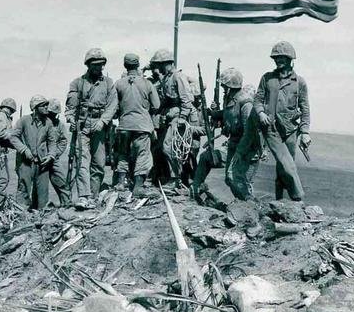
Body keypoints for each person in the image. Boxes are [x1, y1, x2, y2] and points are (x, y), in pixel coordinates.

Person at [253, 41, 311, 201]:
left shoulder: (300, 82)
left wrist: (305, 132)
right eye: (276, 58)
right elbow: (257, 99)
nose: (279, 61)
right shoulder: (267, 78)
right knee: (288, 165)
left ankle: (279, 202)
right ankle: (298, 199)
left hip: (291, 131)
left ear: (290, 59)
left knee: (283, 167)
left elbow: (305, 108)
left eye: (282, 58)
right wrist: (261, 113)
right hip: (271, 129)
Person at [191, 68, 258, 201]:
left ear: (230, 86)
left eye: (224, 85)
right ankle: (195, 189)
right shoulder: (230, 98)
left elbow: (249, 133)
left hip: (247, 149)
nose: (222, 87)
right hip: (233, 144)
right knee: (206, 158)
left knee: (234, 178)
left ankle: (250, 206)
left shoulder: (246, 103)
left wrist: (240, 152)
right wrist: (213, 113)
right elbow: (227, 114)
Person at [65, 48, 118, 209]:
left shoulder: (108, 83)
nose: (99, 68)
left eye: (101, 65)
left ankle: (94, 195)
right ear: (88, 65)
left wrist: (102, 121)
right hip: (82, 125)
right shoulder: (77, 83)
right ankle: (84, 196)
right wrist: (70, 118)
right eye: (95, 65)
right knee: (82, 161)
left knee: (99, 162)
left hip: (100, 126)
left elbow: (112, 105)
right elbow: (70, 107)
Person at [109, 54, 160, 196]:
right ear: (138, 65)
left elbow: (114, 107)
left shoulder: (118, 84)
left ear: (125, 66)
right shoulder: (147, 83)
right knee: (142, 154)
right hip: (142, 126)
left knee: (123, 153)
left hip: (124, 125)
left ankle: (120, 183)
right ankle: (138, 187)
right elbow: (156, 105)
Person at [151, 49, 197, 190]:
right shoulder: (166, 78)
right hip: (169, 116)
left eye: (160, 64)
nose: (158, 67)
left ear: (168, 63)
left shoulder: (178, 77)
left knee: (169, 147)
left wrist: (183, 117)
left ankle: (175, 179)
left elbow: (187, 99)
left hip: (178, 117)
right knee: (160, 148)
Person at [9, 95, 57, 210]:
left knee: (42, 192)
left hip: (42, 162)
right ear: (35, 107)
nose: (47, 107)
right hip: (25, 162)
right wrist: (24, 150)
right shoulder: (24, 121)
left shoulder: (48, 123)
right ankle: (21, 215)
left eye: (47, 105)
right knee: (24, 188)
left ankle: (41, 216)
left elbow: (52, 142)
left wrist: (51, 155)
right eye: (43, 105)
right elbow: (13, 137)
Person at [47, 99, 72, 207]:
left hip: (53, 158)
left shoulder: (59, 125)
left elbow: (63, 141)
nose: (52, 115)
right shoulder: (41, 123)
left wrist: (55, 154)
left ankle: (66, 203)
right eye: (50, 113)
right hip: (39, 157)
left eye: (54, 114)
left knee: (61, 179)